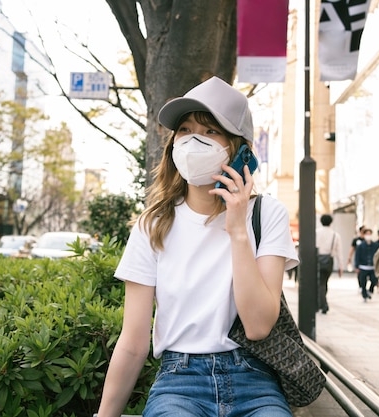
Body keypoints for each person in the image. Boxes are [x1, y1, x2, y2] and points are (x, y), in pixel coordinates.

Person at [96, 76, 299, 417]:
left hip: (254, 379)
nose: (193, 141)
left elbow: (258, 326)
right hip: (180, 381)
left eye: (210, 132)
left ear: (238, 149)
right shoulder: (154, 225)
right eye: (185, 130)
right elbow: (132, 343)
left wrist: (237, 231)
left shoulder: (268, 215)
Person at [316, 214, 343, 314]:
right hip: (329, 261)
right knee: (324, 282)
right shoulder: (335, 235)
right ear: (331, 222)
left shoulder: (316, 233)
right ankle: (323, 303)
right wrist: (341, 266)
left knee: (320, 283)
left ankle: (322, 304)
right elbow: (339, 252)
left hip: (317, 260)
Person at [354, 228, 379, 301]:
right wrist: (357, 266)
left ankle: (370, 291)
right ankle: (364, 295)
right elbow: (357, 256)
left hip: (372, 267)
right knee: (363, 282)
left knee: (374, 280)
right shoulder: (360, 245)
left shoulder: (375, 245)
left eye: (370, 234)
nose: (368, 236)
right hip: (363, 266)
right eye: (367, 234)